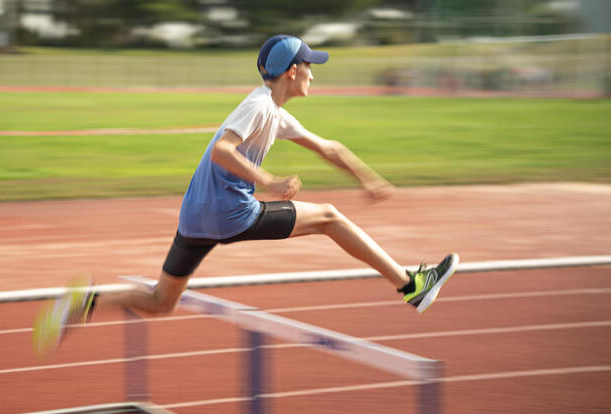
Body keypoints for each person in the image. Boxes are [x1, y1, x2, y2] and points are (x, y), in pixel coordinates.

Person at [33, 35, 458, 354]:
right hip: (229, 211)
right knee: (330, 217)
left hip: (195, 216)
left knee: (161, 301)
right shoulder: (258, 106)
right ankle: (411, 286)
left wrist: (368, 178)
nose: (315, 72)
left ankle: (86, 302)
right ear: (292, 70)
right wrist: (270, 182)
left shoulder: (276, 113)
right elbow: (222, 150)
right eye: (311, 65)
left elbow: (328, 147)